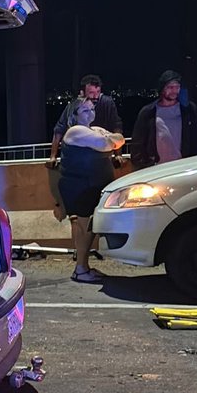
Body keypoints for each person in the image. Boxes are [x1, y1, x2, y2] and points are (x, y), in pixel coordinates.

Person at [57, 99, 125, 283]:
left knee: (88, 227)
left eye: (92, 109)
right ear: (74, 115)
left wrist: (110, 140)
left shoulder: (94, 130)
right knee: (86, 227)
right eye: (85, 110)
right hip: (80, 186)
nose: (90, 112)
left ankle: (83, 267)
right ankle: (80, 269)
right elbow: (106, 144)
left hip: (91, 185)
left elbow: (120, 140)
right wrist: (109, 140)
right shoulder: (75, 131)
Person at [130, 70, 197, 169]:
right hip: (156, 169)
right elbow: (138, 143)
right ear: (162, 89)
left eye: (177, 87)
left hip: (183, 167)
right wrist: (142, 166)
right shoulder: (148, 112)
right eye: (170, 87)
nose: (174, 91)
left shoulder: (189, 110)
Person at [47, 74, 124, 170]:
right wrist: (53, 156)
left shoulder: (106, 103)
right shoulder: (73, 109)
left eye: (98, 92)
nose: (95, 96)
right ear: (82, 93)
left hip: (99, 162)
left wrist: (118, 155)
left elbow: (117, 126)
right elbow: (59, 130)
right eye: (91, 92)